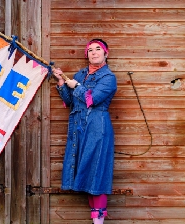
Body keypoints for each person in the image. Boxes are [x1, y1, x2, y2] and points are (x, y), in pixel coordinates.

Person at [52, 39, 117, 224]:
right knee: (87, 172)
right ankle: (96, 219)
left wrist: (76, 87)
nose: (94, 52)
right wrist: (61, 83)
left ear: (106, 53)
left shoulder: (108, 78)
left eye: (98, 49)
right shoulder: (80, 75)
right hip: (78, 128)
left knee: (97, 172)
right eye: (90, 50)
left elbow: (93, 99)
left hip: (97, 128)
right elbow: (71, 101)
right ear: (86, 54)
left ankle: (99, 221)